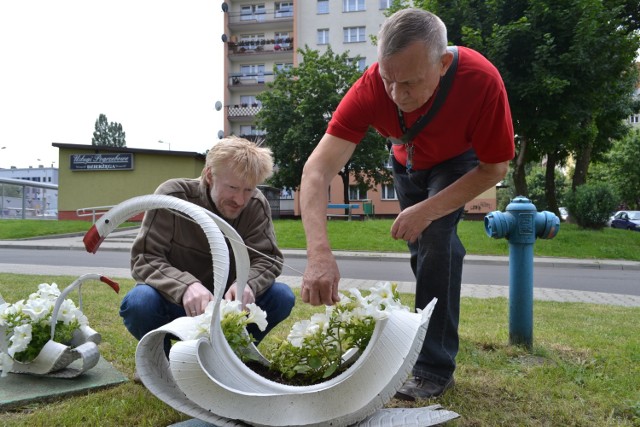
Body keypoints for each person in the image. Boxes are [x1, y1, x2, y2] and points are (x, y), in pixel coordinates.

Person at [299, 8, 514, 400]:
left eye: (410, 83)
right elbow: (316, 171)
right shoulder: (370, 88)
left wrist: (428, 210)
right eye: (389, 79)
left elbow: (494, 168)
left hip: (458, 164)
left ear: (443, 64)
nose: (397, 95)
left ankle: (433, 368)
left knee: (433, 235)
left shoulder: (481, 81)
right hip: (406, 162)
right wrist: (318, 253)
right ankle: (441, 261)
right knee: (427, 253)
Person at [120, 136, 295, 353]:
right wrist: (185, 286)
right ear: (210, 174)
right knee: (140, 301)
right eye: (232, 187)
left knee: (281, 295)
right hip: (175, 303)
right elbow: (144, 258)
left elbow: (268, 259)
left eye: (248, 190)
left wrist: (247, 284)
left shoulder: (256, 205)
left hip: (230, 308)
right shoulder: (173, 196)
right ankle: (159, 361)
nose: (240, 200)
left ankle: (234, 355)